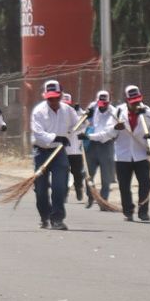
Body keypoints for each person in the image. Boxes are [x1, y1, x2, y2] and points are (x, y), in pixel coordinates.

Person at [30, 78, 76, 230]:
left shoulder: (68, 110)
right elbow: (38, 133)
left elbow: (77, 125)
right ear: (45, 96)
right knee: (41, 189)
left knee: (60, 186)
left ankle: (57, 219)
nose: (54, 101)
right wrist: (56, 137)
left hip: (59, 153)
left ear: (61, 95)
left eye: (56, 97)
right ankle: (45, 216)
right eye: (50, 98)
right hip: (41, 152)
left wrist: (83, 121)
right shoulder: (38, 111)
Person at [112, 85, 150, 222]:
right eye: (133, 101)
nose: (136, 104)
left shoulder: (147, 112)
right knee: (124, 185)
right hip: (122, 155)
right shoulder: (118, 112)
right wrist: (115, 128)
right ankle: (128, 211)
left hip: (141, 154)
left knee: (145, 183)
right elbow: (108, 133)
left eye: (138, 100)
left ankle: (143, 211)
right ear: (127, 101)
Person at [83, 90, 118, 208]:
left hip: (106, 145)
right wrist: (86, 115)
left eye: (105, 104)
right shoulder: (93, 107)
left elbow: (106, 133)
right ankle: (90, 196)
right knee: (88, 174)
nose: (102, 107)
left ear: (109, 102)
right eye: (100, 104)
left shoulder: (113, 112)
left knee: (106, 176)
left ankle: (103, 201)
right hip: (91, 146)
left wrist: (88, 136)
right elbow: (83, 120)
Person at [62, 93, 87, 201]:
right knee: (64, 174)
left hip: (76, 151)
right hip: (63, 151)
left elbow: (85, 123)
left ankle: (79, 190)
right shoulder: (59, 116)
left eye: (68, 104)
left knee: (78, 174)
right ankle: (64, 194)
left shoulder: (75, 115)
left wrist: (80, 111)